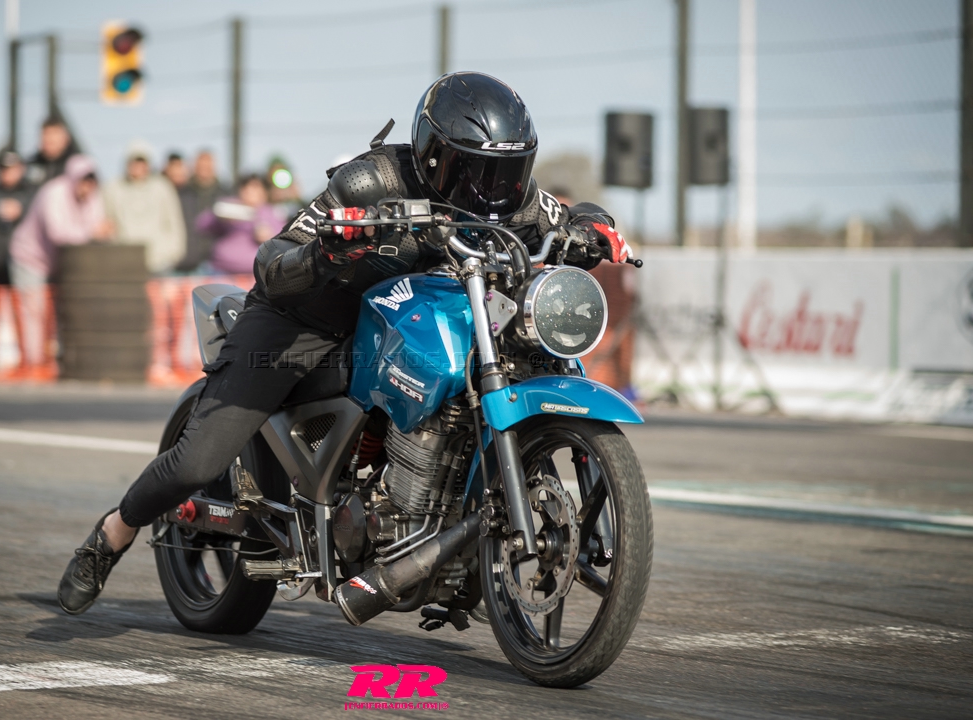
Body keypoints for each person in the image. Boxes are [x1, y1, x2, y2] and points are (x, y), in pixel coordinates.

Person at [57, 72, 634, 615]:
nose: (492, 189)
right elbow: (273, 260)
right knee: (198, 462)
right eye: (477, 171)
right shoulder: (370, 182)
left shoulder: (513, 197)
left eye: (506, 173)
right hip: (300, 322)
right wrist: (326, 251)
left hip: (399, 318)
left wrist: (594, 226)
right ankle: (112, 534)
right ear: (436, 156)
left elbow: (568, 214)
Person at [9, 154, 110, 369]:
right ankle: (33, 363)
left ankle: (52, 362)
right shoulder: (53, 192)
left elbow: (99, 224)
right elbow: (58, 232)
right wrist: (92, 233)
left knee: (58, 315)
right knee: (33, 312)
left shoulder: (93, 196)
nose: (87, 188)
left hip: (60, 265)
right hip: (31, 259)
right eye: (84, 182)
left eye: (91, 183)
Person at [102, 140, 185, 275]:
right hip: (125, 264)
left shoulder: (162, 187)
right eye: (134, 161)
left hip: (159, 263)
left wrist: (173, 254)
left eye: (142, 161)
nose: (138, 166)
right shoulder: (113, 188)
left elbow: (175, 223)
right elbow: (107, 224)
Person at [194, 174, 284, 275]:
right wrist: (218, 216)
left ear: (264, 192)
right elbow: (201, 225)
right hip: (220, 270)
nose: (250, 192)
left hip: (256, 273)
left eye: (255, 188)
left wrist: (269, 237)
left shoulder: (272, 213)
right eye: (246, 188)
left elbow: (283, 240)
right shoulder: (230, 207)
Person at [0, 150, 34, 285]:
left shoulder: (32, 194)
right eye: (4, 169)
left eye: (12, 168)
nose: (8, 173)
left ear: (21, 168)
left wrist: (22, 211)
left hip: (23, 266)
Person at [173, 149, 228, 274]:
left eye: (207, 167)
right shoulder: (181, 194)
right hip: (186, 263)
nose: (204, 170)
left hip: (218, 264)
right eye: (201, 166)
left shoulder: (225, 194)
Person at [25, 116, 77, 187]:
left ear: (66, 138)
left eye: (54, 133)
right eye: (46, 133)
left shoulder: (75, 165)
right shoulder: (31, 164)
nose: (49, 138)